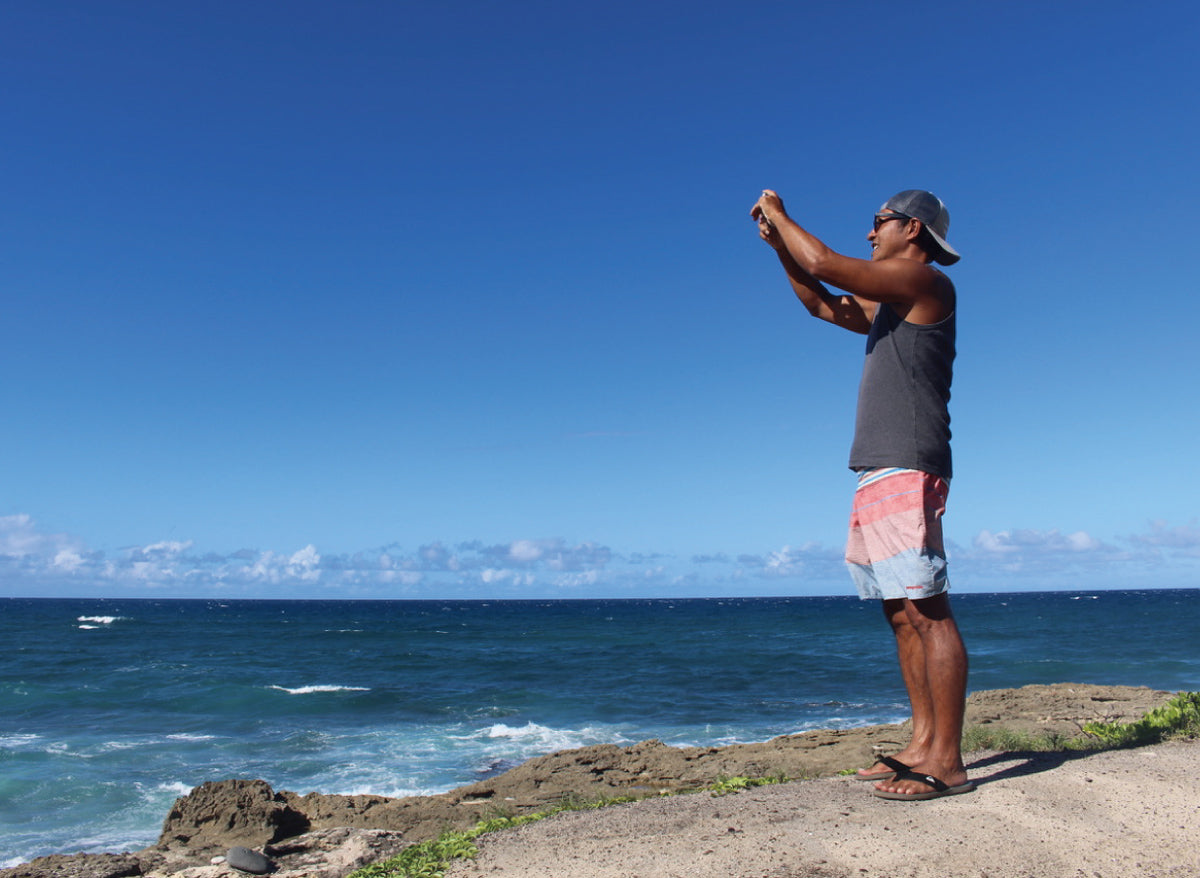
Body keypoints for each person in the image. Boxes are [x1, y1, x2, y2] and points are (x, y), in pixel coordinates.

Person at [750, 188, 973, 801]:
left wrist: (782, 215)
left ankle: (947, 761)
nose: (871, 233)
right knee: (900, 613)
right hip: (876, 468)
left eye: (877, 222)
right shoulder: (891, 301)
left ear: (914, 230)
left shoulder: (926, 283)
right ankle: (922, 742)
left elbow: (825, 263)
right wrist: (779, 250)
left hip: (908, 464)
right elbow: (825, 306)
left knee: (928, 609)